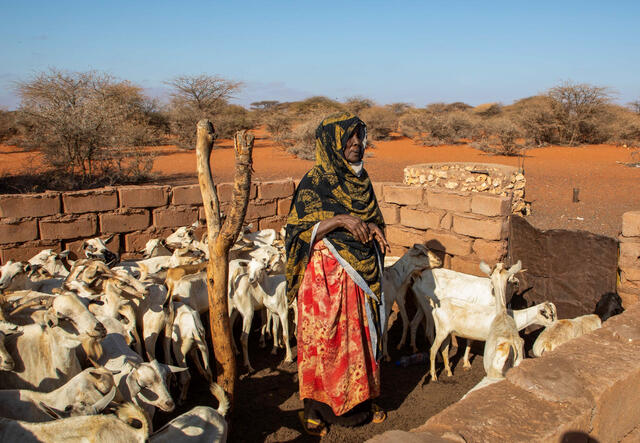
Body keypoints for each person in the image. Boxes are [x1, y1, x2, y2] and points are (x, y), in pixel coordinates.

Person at [285, 112, 390, 436]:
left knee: (359, 339)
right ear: (332, 144)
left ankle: (361, 402)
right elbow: (296, 232)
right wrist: (340, 220)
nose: (357, 144)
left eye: (359, 137)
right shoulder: (314, 182)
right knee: (324, 342)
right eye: (349, 138)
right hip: (322, 284)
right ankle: (316, 409)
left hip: (356, 280)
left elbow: (371, 218)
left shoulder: (361, 181)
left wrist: (371, 228)